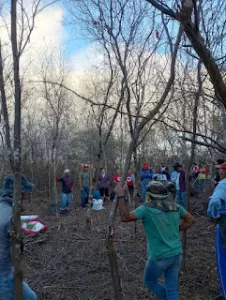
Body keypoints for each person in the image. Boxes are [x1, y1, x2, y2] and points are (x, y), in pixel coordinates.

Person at [116, 181, 195, 300]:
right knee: (172, 290)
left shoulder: (146, 209)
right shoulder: (175, 206)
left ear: (149, 195)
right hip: (176, 254)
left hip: (159, 257)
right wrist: (176, 229)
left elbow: (125, 217)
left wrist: (121, 195)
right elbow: (190, 220)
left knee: (149, 282)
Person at [0, 174, 37, 300]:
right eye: (25, 192)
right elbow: (17, 251)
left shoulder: (2, 208)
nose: (26, 196)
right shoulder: (11, 216)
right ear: (19, 193)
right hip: (4, 275)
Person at [208, 162, 226, 300]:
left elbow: (214, 202)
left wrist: (215, 216)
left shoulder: (223, 184)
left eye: (221, 170)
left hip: (224, 223)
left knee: (223, 260)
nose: (219, 172)